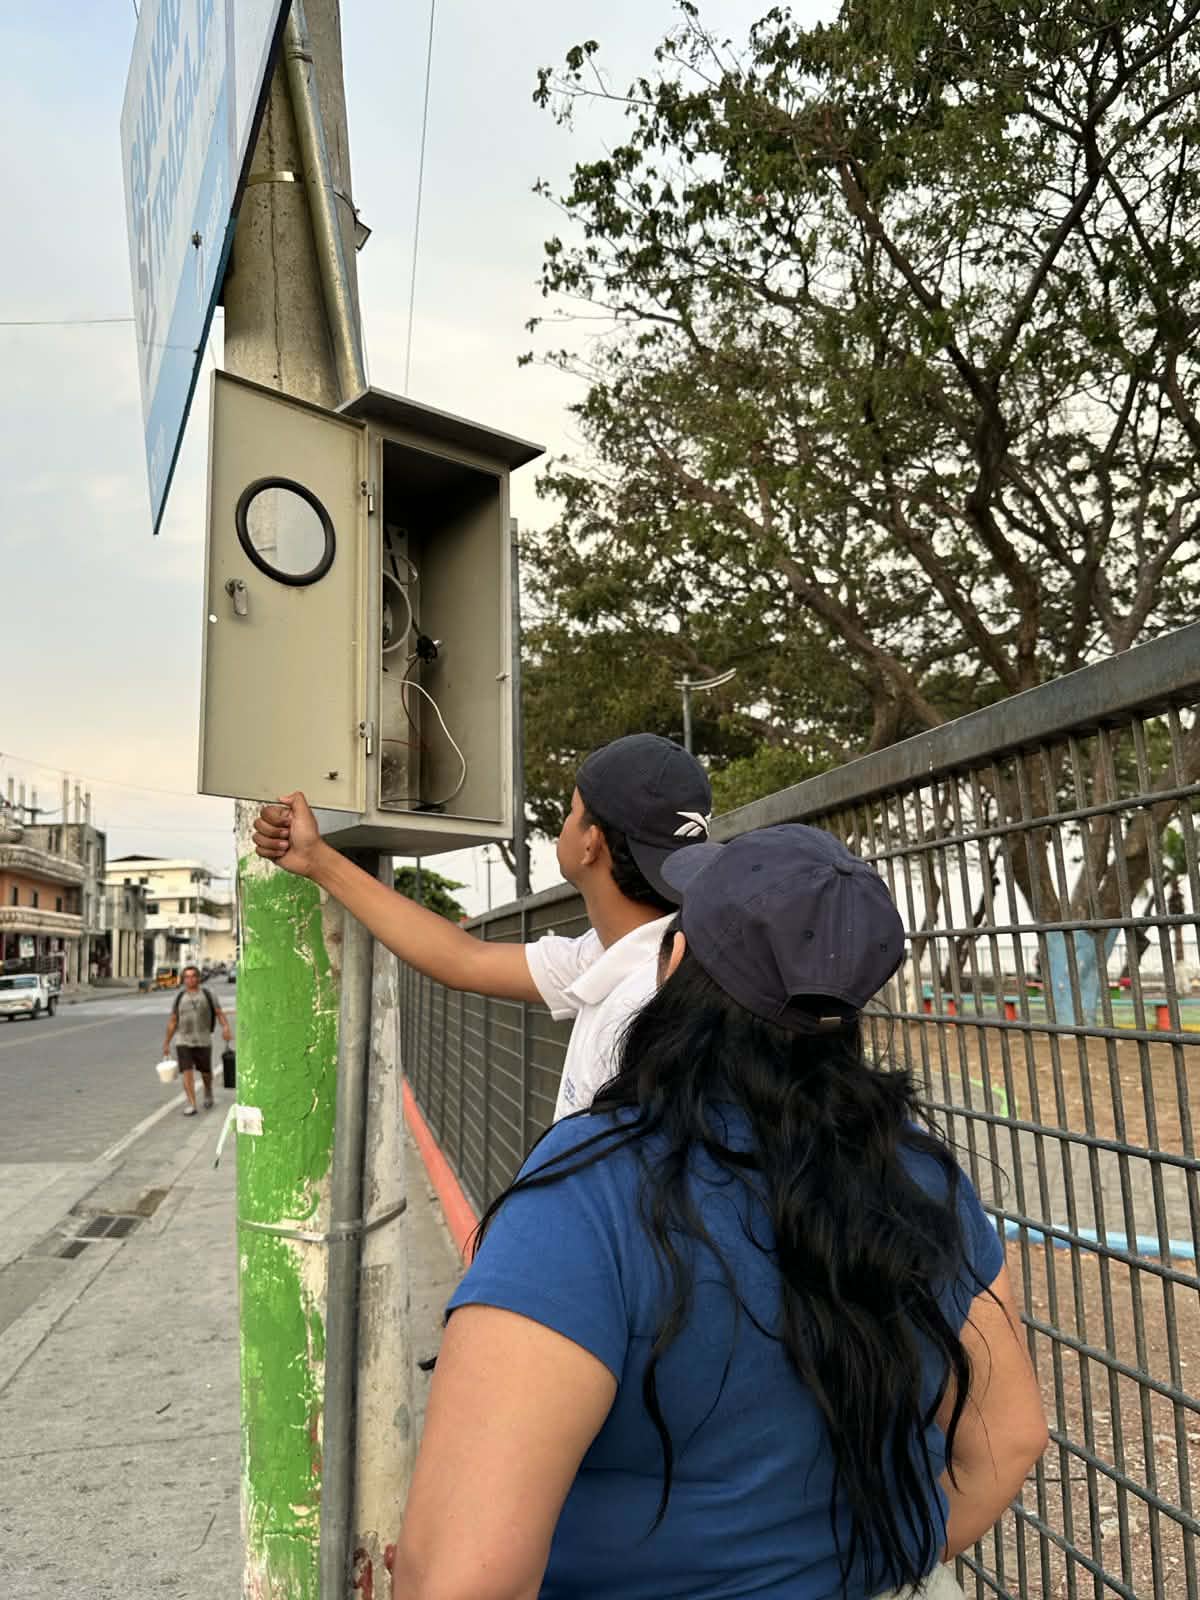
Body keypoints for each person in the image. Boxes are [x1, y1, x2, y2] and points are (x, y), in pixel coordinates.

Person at [390, 825, 1048, 1600]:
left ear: (673, 965)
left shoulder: (589, 1188)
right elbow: (1010, 1438)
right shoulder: (919, 1174)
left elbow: (458, 1577)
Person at [252, 733, 712, 1119]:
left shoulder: (645, 1005)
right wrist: (317, 860)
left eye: (571, 812)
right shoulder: (635, 953)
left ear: (591, 843)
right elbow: (463, 959)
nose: (565, 825)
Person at [162, 965, 232, 1116]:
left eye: (193, 976)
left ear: (199, 978)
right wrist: (167, 1042)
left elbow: (219, 1013)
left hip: (203, 1040)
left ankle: (208, 1091)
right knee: (187, 1072)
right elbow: (173, 1020)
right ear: (183, 979)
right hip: (183, 1040)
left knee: (206, 1072)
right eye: (187, 977)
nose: (190, 979)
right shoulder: (180, 997)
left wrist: (226, 1028)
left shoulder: (208, 994)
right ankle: (192, 1104)